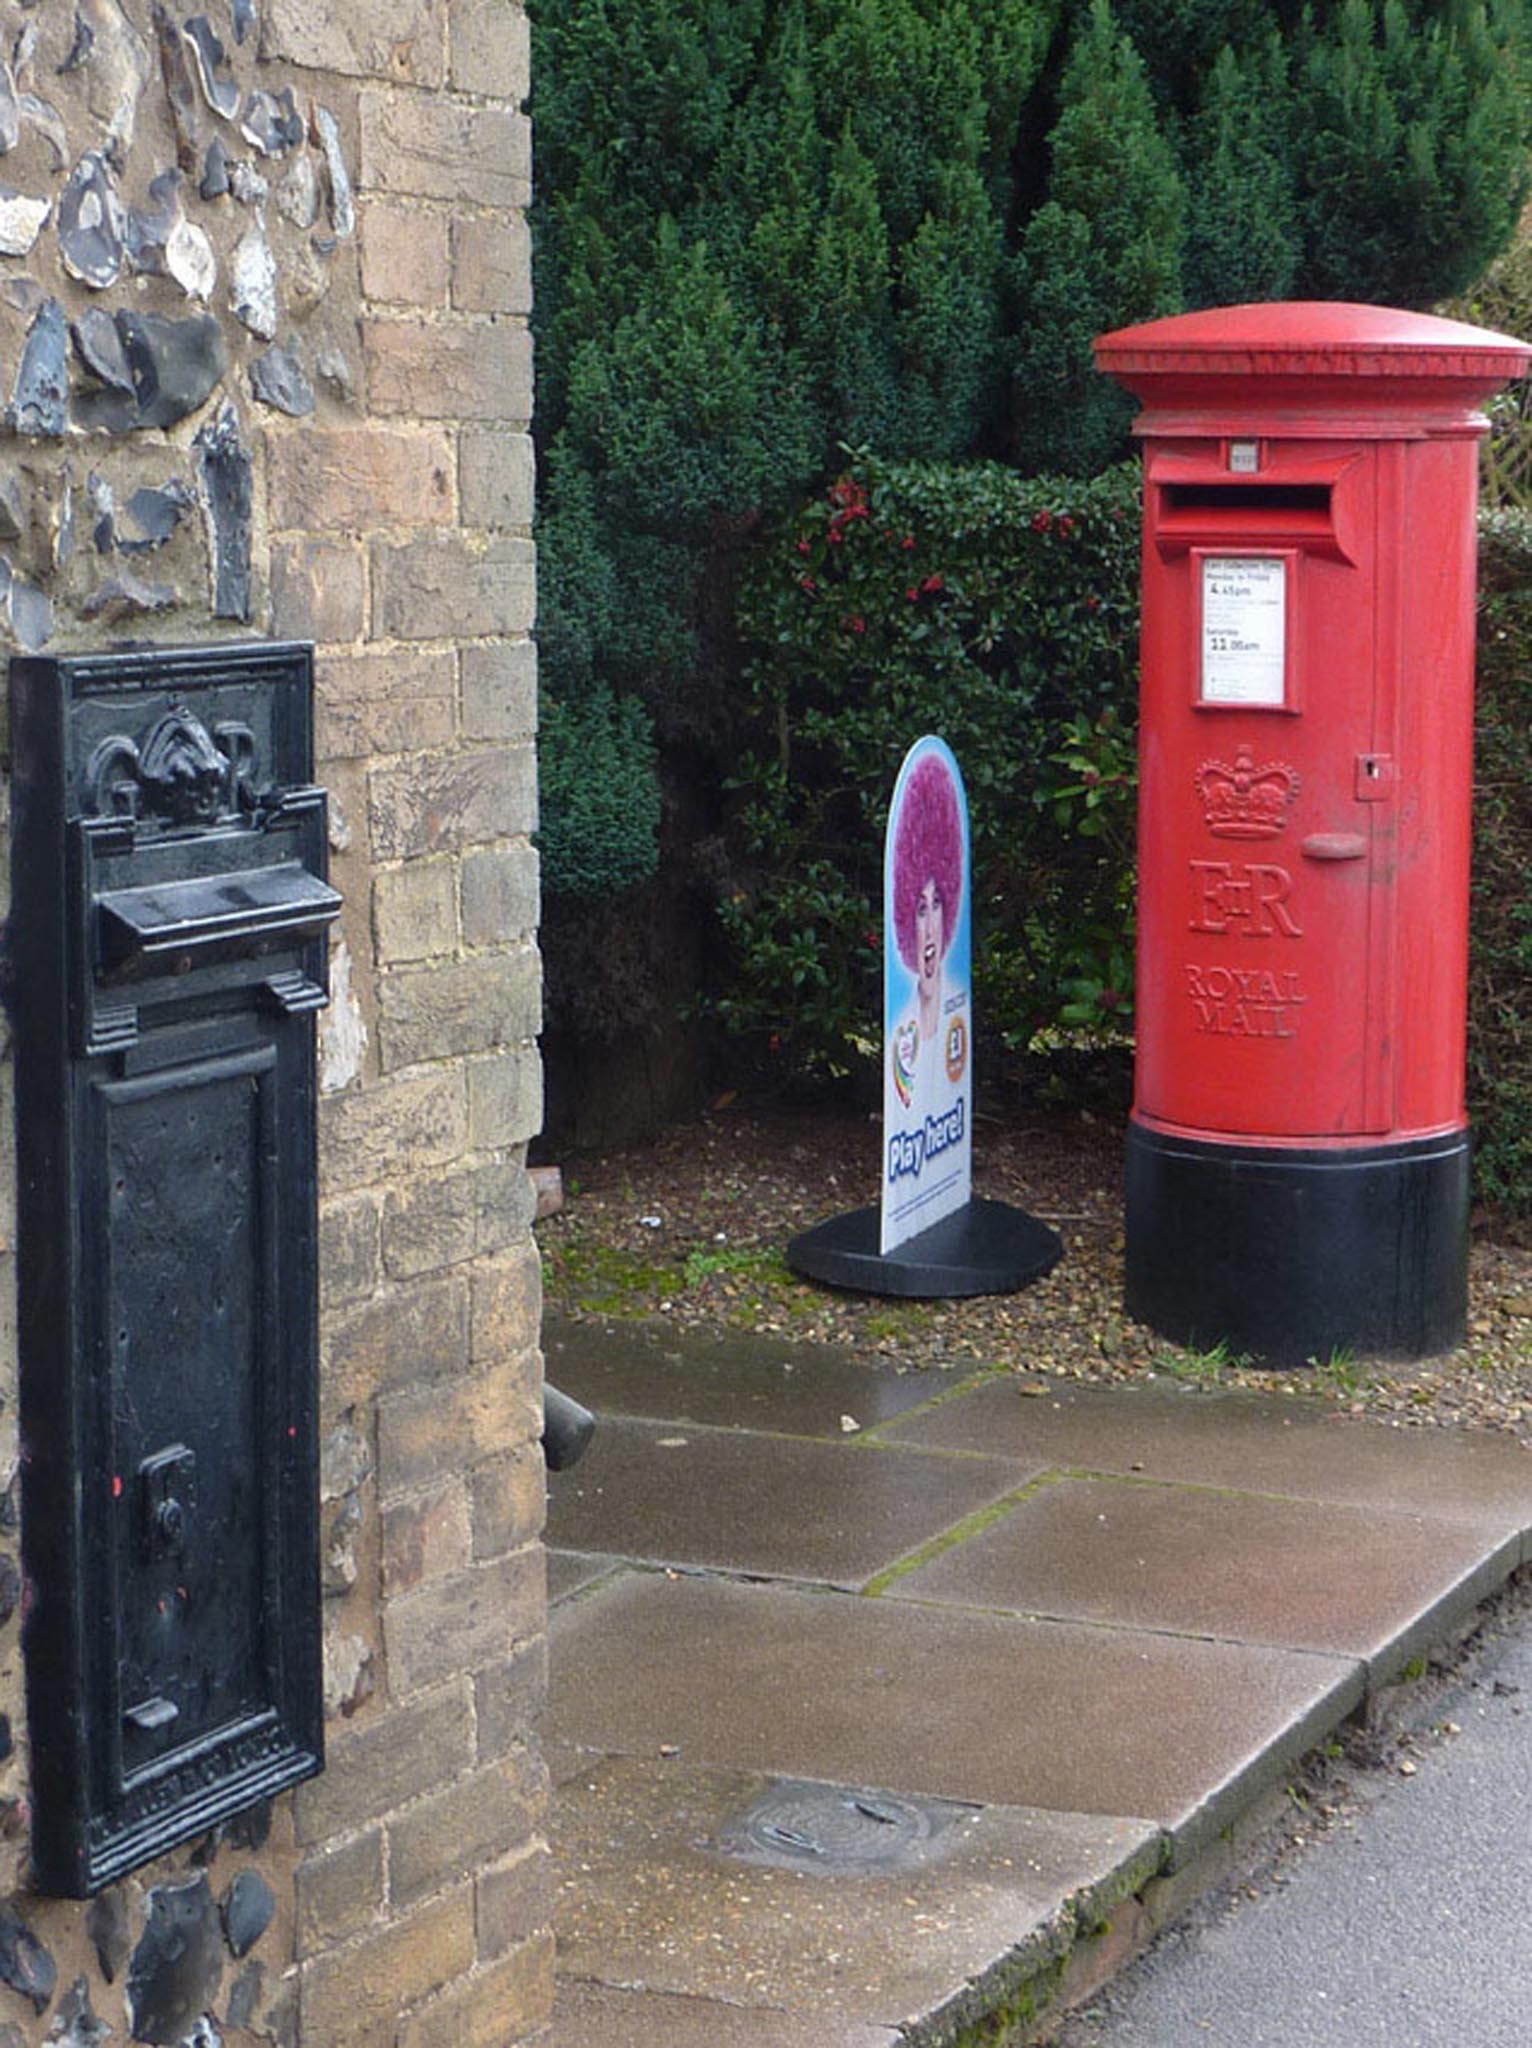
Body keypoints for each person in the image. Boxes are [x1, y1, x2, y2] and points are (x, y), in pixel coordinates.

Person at [888, 750, 968, 1125]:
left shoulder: (957, 1004)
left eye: (938, 903)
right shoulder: (900, 1029)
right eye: (920, 908)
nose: (931, 925)